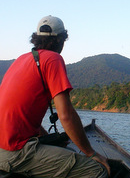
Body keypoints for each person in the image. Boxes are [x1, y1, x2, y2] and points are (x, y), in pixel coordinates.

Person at [0, 16, 110, 177]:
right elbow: (66, 115)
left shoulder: (21, 60)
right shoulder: (53, 59)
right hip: (15, 152)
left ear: (36, 38)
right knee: (97, 171)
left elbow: (21, 115)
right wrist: (91, 153)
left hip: (3, 148)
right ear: (61, 40)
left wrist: (48, 138)